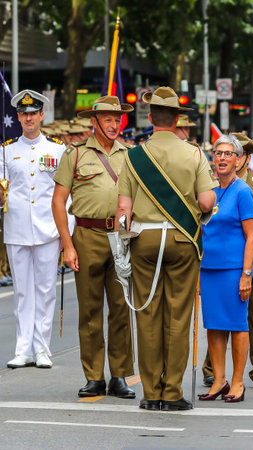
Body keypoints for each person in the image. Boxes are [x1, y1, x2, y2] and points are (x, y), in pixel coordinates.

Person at [116, 86, 218, 411]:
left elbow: (123, 212)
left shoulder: (133, 156)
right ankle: (172, 393)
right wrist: (201, 213)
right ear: (176, 119)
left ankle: (151, 393)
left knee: (147, 315)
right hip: (180, 240)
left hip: (144, 240)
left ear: (151, 118)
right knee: (178, 316)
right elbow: (206, 201)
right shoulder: (195, 154)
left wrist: (121, 248)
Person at [52, 95, 135, 398]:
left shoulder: (130, 154)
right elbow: (58, 201)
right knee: (89, 310)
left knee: (121, 309)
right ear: (95, 122)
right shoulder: (74, 155)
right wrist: (67, 245)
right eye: (109, 119)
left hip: (121, 238)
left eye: (118, 119)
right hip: (86, 236)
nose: (115, 125)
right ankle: (94, 376)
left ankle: (120, 375)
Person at [202, 132, 253, 390]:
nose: (227, 159)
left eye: (233, 154)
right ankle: (214, 373)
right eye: (220, 154)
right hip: (216, 264)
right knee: (218, 321)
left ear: (244, 158)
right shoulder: (211, 188)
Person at [0, 89, 65, 369]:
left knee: (46, 289)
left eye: (33, 113)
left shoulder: (57, 149)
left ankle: (42, 348)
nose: (28, 118)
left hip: (48, 228)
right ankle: (23, 348)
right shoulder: (6, 150)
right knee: (23, 292)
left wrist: (67, 234)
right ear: (18, 117)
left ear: (41, 115)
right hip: (16, 228)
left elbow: (66, 195)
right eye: (23, 114)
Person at [198, 134, 253, 403]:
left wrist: (246, 274)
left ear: (237, 160)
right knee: (214, 325)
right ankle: (218, 380)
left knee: (236, 324)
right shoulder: (209, 190)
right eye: (217, 153)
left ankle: (237, 381)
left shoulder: (243, 191)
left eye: (227, 154)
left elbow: (252, 236)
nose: (221, 158)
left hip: (234, 269)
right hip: (209, 268)